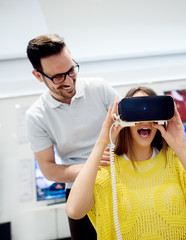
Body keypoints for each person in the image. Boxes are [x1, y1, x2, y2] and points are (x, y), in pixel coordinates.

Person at [66, 86, 186, 239]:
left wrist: (181, 148)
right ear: (124, 117)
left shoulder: (176, 161)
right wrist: (102, 142)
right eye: (137, 110)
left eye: (151, 109)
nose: (145, 117)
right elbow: (74, 211)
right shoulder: (107, 169)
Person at [25, 33, 118, 239]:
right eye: (58, 77)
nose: (68, 81)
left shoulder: (99, 88)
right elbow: (48, 169)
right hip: (79, 189)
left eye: (71, 70)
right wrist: (89, 167)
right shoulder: (36, 116)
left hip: (119, 177)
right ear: (38, 76)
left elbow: (128, 127)